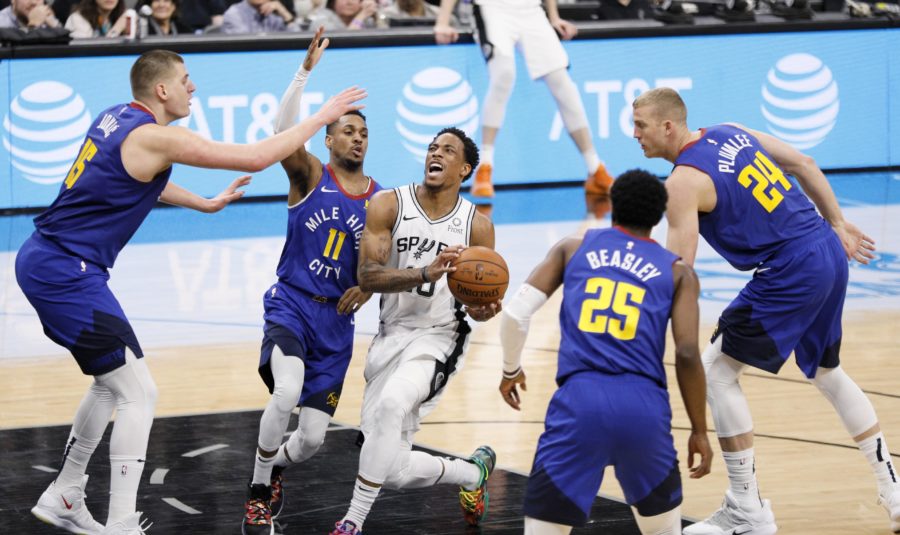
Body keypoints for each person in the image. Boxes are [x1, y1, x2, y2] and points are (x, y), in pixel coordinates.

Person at [17, 49, 365, 535]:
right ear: (162, 91)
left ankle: (67, 492)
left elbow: (139, 179)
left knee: (110, 382)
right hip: (64, 273)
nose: (193, 87)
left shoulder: (116, 118)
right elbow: (257, 157)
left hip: (52, 263)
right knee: (141, 394)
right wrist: (323, 116)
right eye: (186, 80)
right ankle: (119, 523)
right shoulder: (159, 135)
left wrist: (201, 203)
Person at [631, 87, 897, 534]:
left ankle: (746, 510)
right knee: (828, 372)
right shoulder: (730, 131)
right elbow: (804, 164)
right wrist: (836, 222)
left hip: (792, 267)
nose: (634, 135)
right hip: (825, 249)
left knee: (715, 371)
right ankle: (892, 490)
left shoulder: (681, 182)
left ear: (668, 126)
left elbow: (681, 271)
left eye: (640, 126)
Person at [498, 169, 712, 535]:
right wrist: (699, 430)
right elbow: (689, 354)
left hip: (580, 404)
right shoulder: (679, 273)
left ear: (612, 205)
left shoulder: (572, 248)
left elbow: (516, 313)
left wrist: (510, 369)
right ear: (659, 216)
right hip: (644, 408)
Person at [239, 28, 382, 535]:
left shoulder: (382, 201)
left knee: (312, 441)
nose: (356, 137)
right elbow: (281, 134)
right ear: (327, 137)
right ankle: (257, 493)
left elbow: (383, 264)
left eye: (362, 131)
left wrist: (369, 286)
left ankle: (273, 468)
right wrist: (304, 74)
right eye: (346, 130)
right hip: (292, 303)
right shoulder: (308, 175)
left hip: (336, 324)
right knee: (285, 393)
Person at [329, 127, 500, 534]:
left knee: (392, 405)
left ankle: (352, 523)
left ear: (465, 169)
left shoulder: (476, 226)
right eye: (432, 147)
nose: (435, 154)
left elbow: (480, 308)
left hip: (440, 336)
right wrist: (426, 271)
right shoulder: (388, 204)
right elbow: (367, 277)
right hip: (391, 336)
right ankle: (471, 474)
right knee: (390, 468)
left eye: (447, 150)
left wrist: (485, 308)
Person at [434, 0, 614, 218]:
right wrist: (442, 21)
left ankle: (595, 168)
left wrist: (553, 17)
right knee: (504, 74)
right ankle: (485, 168)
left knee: (563, 83)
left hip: (531, 10)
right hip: (492, 7)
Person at [222, 0, 297, 33]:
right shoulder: (234, 13)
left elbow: (298, 43)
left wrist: (285, 15)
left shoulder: (275, 11)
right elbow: (245, 45)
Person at [308, 0, 379, 31]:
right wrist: (362, 14)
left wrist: (372, 11)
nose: (349, 2)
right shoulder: (322, 21)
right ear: (333, 3)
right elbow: (348, 42)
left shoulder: (366, 20)